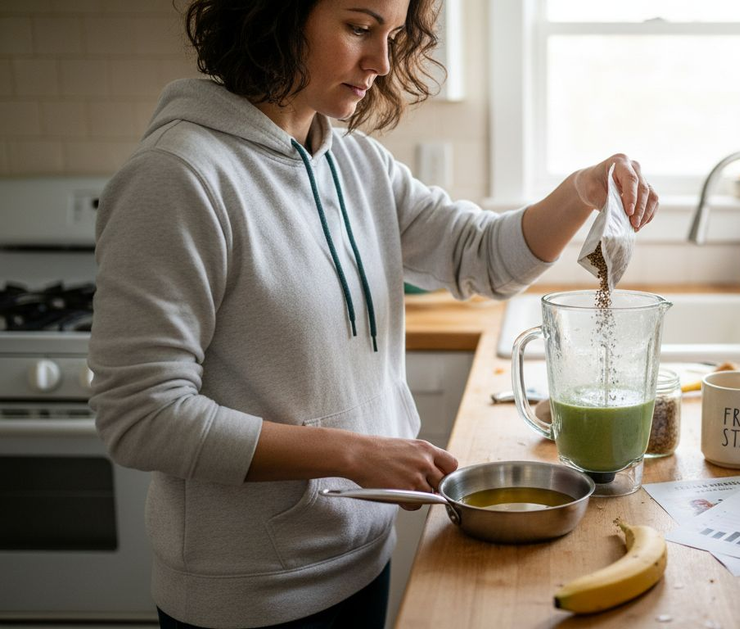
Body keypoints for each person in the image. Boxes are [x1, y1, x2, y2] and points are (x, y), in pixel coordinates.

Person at [88, 1, 659, 627]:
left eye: (393, 36)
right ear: (270, 17)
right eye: (359, 28)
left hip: (363, 552)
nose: (382, 63)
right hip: (249, 592)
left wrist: (581, 189)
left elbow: (484, 257)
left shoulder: (356, 164)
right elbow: (140, 415)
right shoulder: (177, 177)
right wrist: (353, 454)